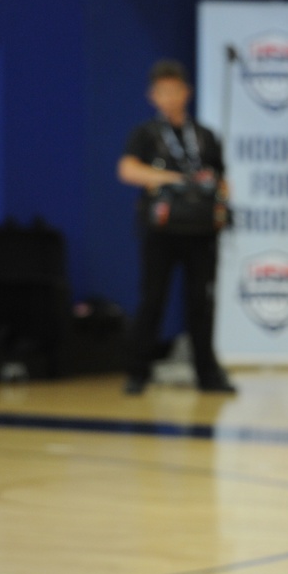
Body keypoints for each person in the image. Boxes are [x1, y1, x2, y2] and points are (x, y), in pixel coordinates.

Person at [118, 59, 235, 395]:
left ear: (187, 92)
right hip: (161, 231)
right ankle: (138, 371)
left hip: (200, 231)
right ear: (153, 96)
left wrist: (214, 191)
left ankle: (207, 373)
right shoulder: (146, 135)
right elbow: (127, 170)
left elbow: (222, 179)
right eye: (163, 92)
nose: (170, 98)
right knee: (152, 299)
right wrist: (171, 178)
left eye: (176, 91)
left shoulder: (205, 135)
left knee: (202, 302)